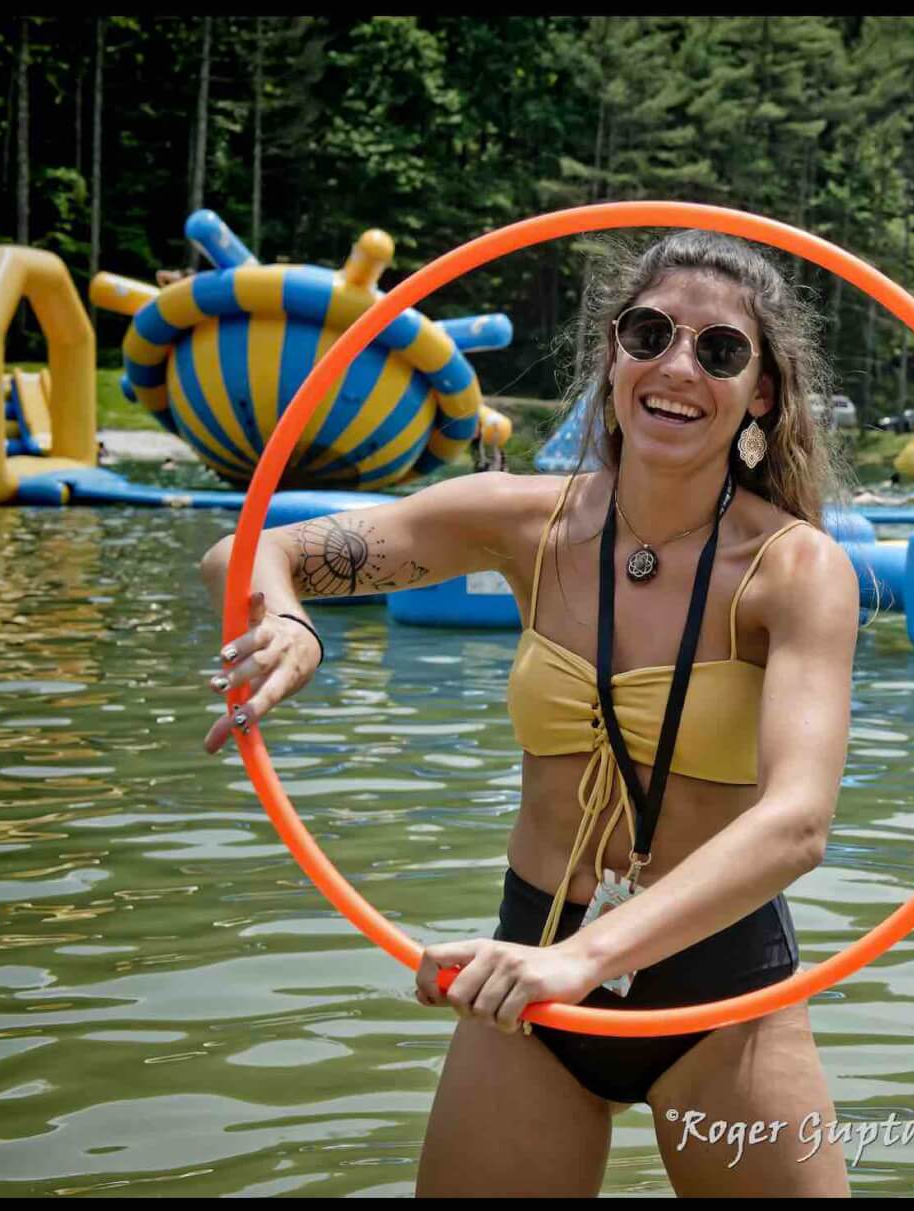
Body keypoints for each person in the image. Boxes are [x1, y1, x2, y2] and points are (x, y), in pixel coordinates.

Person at [198, 231, 861, 1196]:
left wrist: (583, 960)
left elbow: (797, 824)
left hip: (721, 987)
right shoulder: (522, 522)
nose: (678, 366)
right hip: (531, 964)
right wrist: (292, 619)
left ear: (761, 394)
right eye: (650, 333)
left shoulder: (797, 570)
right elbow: (247, 551)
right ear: (612, 354)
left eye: (720, 351)